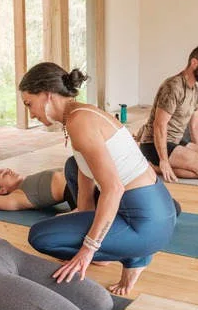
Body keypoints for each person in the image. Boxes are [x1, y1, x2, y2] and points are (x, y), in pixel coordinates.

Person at [18, 62, 178, 296]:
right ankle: (132, 251)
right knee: (73, 166)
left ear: (47, 95)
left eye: (29, 103)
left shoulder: (79, 122)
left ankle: (137, 254)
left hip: (146, 223)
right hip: (158, 208)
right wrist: (80, 217)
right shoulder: (81, 113)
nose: (31, 112)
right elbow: (85, 177)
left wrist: (87, 249)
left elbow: (113, 188)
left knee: (42, 236)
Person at [138, 44, 198, 181]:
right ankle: (154, 167)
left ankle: (169, 164)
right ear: (194, 63)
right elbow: (159, 125)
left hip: (175, 142)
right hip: (154, 144)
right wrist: (164, 161)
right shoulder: (173, 87)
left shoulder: (194, 90)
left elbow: (195, 125)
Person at [0, 167, 76, 211]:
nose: (9, 171)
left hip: (80, 177)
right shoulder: (17, 197)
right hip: (76, 192)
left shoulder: (26, 181)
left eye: (7, 169)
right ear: (2, 191)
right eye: (4, 174)